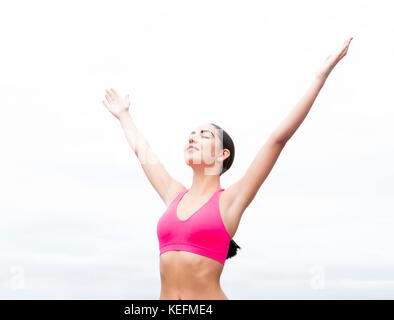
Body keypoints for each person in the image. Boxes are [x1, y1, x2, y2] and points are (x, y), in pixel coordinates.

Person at [102, 37, 353, 300]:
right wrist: (124, 115)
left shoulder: (231, 200)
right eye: (191, 133)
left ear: (223, 154)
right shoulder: (173, 194)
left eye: (204, 135)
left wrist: (319, 78)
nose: (193, 137)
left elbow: (277, 140)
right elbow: (143, 152)